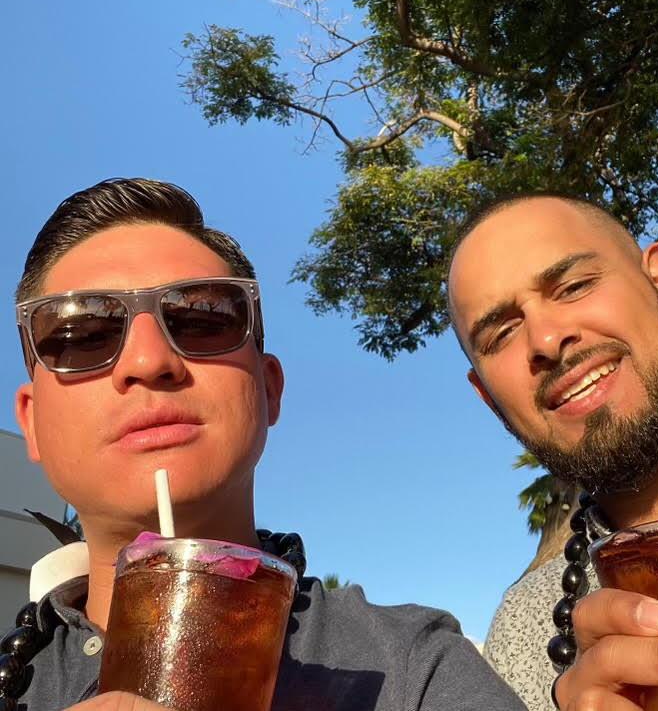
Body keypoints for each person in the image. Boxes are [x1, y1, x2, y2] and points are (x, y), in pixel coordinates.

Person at [5, 178, 526, 711]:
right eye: (83, 334)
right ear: (32, 422)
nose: (149, 361)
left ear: (270, 389)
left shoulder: (415, 669)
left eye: (202, 318)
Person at [447, 192, 658, 710]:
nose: (546, 339)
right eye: (502, 333)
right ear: (488, 399)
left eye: (574, 286)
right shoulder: (523, 631)